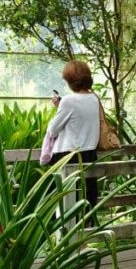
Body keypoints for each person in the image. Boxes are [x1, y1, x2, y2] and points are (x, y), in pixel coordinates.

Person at [42, 60, 101, 207]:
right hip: (89, 155)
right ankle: (88, 229)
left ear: (70, 80)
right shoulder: (94, 99)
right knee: (88, 200)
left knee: (64, 203)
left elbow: (52, 130)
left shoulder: (68, 101)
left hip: (69, 157)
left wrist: (59, 107)